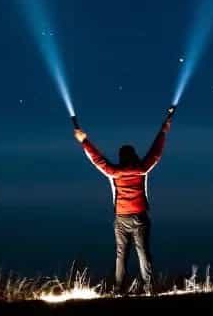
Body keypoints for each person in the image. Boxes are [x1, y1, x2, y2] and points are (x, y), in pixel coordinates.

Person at [74, 108, 174, 295]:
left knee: (121, 255)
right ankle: (149, 288)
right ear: (134, 155)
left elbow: (97, 160)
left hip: (121, 218)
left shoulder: (114, 172)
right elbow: (156, 153)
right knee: (143, 252)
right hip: (140, 217)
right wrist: (164, 130)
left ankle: (119, 288)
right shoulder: (142, 169)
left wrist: (84, 141)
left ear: (121, 157)